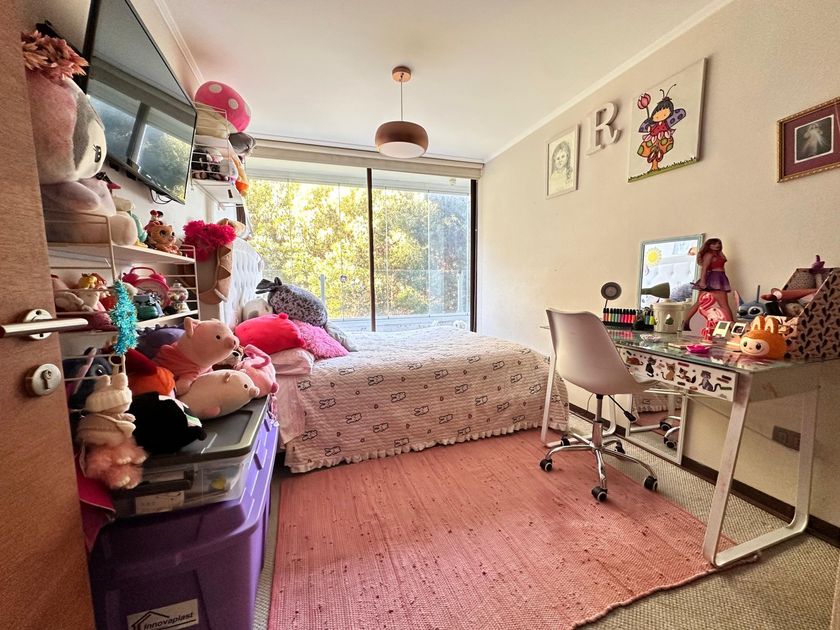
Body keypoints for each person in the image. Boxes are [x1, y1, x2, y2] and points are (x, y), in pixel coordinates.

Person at [683, 237, 734, 328]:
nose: (717, 245)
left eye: (718, 243)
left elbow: (721, 266)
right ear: (709, 245)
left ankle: (685, 323)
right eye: (714, 244)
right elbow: (704, 268)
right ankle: (732, 325)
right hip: (714, 279)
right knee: (724, 304)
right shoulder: (709, 255)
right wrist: (703, 281)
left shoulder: (718, 254)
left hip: (719, 278)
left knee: (699, 302)